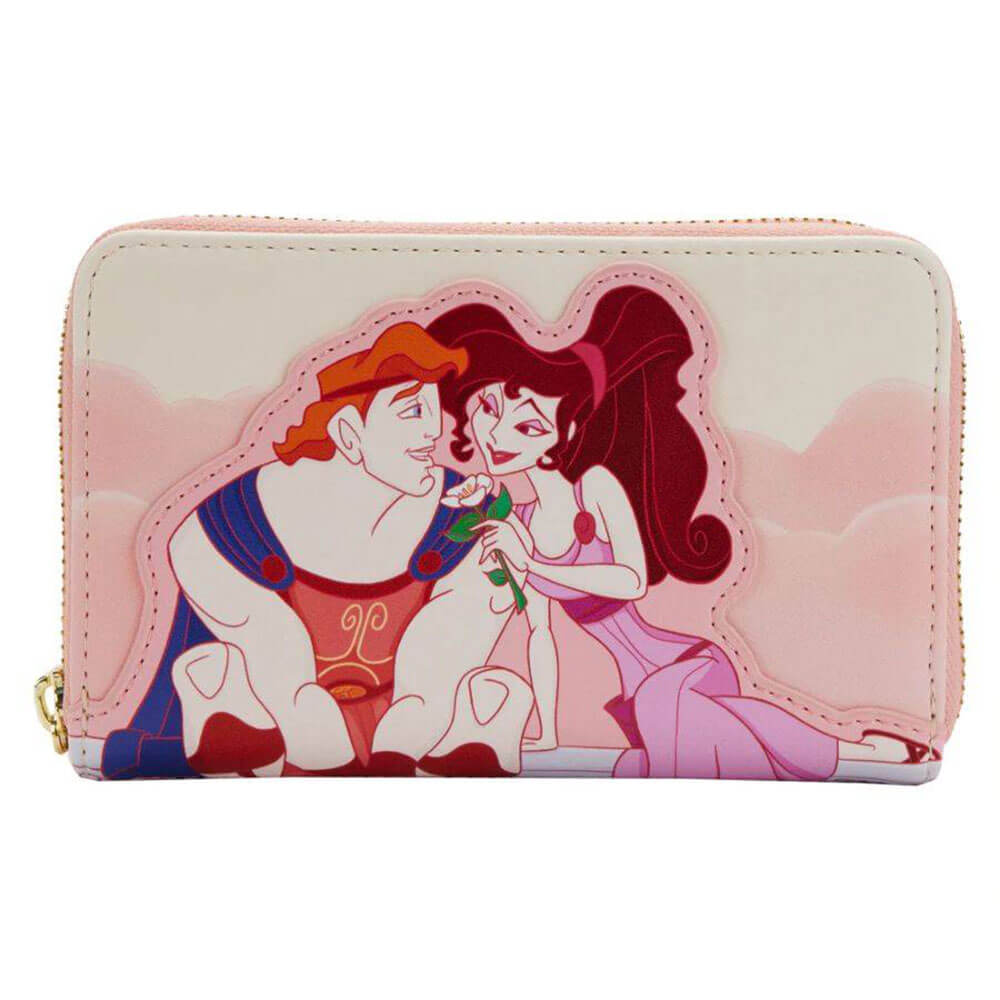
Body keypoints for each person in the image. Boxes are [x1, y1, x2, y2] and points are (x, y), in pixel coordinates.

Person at [427, 284, 934, 779]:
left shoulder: (594, 487)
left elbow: (631, 581)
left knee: (666, 709)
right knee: (656, 735)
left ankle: (860, 749)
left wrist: (532, 563)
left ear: (568, 431)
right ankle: (861, 750)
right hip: (635, 692)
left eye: (529, 426)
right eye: (488, 410)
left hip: (685, 664)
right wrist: (546, 734)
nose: (496, 435)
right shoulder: (519, 523)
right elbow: (541, 635)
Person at [101, 322, 531, 778]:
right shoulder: (224, 532)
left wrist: (398, 752)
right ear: (348, 432)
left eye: (435, 407)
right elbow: (286, 680)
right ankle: (228, 706)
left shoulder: (472, 522)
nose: (436, 430)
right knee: (260, 693)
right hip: (279, 717)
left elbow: (435, 676)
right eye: (411, 411)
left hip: (411, 728)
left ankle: (475, 723)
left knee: (470, 697)